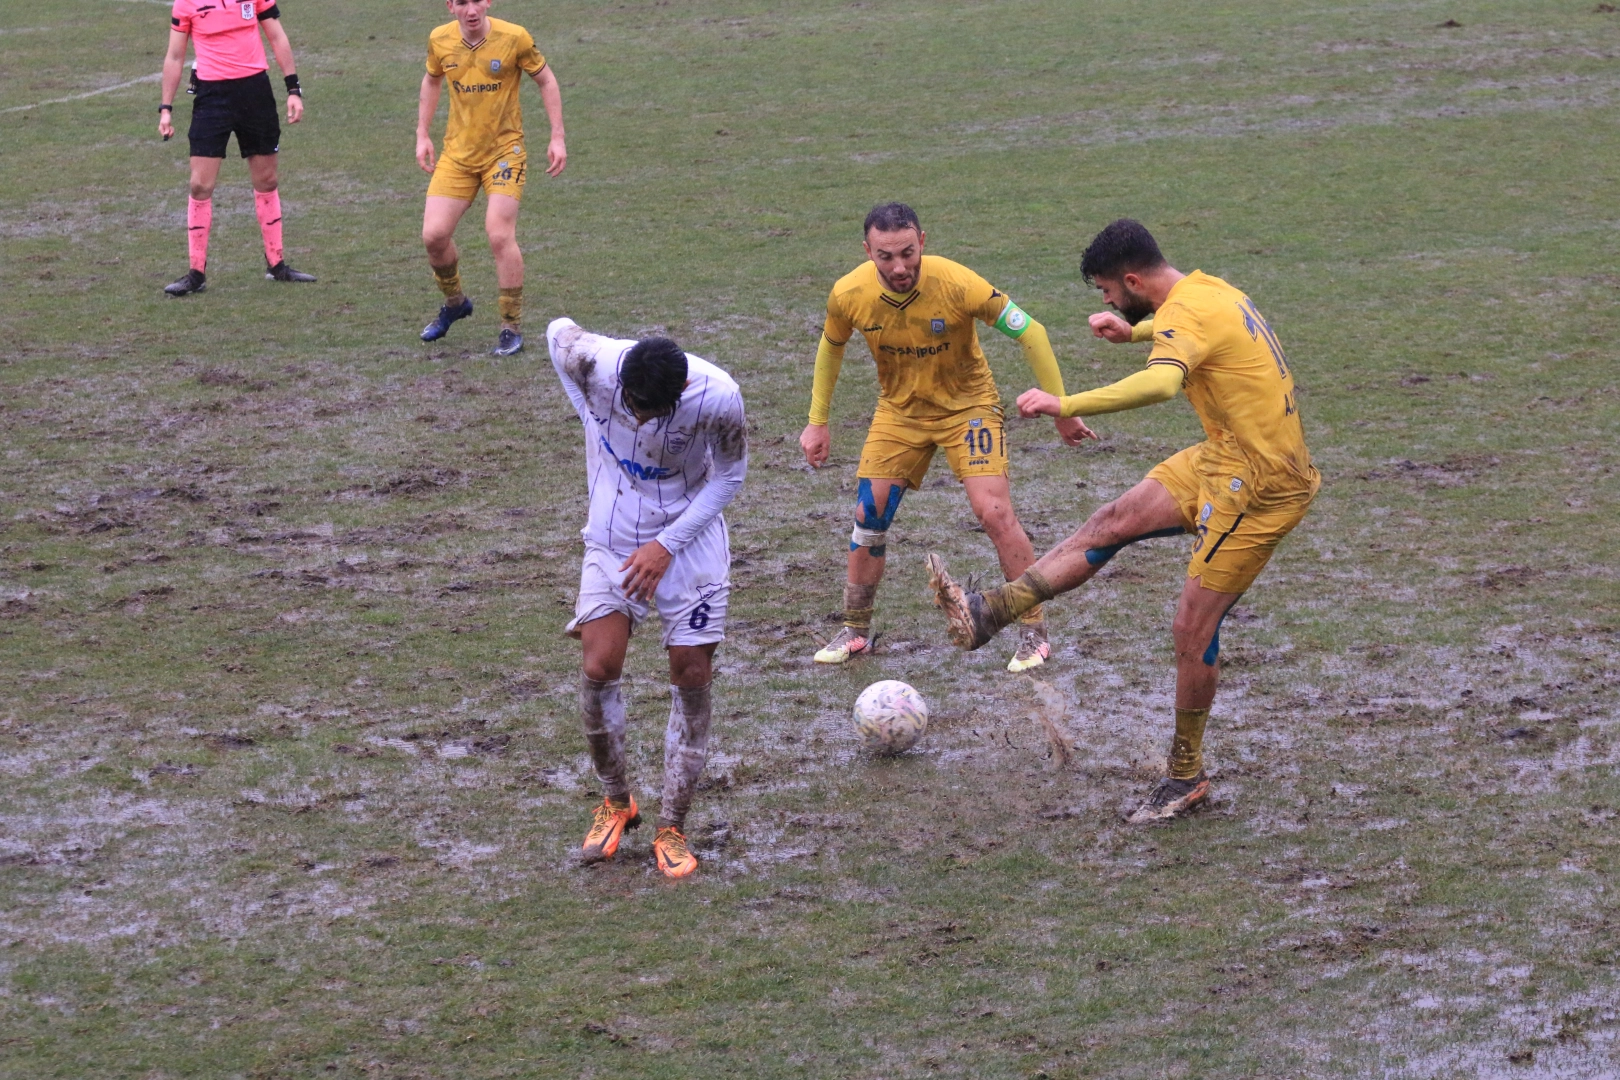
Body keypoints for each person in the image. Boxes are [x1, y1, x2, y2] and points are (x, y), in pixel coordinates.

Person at [926, 219, 1320, 823]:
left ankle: (1186, 775)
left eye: (1109, 292)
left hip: (1262, 486)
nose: (1107, 302)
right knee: (1113, 519)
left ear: (1133, 280)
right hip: (1224, 455)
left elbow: (1163, 384)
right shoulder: (1208, 289)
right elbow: (1189, 329)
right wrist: (1135, 331)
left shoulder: (1185, 312)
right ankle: (992, 612)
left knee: (1191, 629)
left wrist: (1065, 403)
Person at [799, 202, 1091, 673]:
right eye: (886, 257)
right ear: (868, 251)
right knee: (868, 515)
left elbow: (1032, 331)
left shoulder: (958, 283)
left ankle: (1034, 633)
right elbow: (831, 347)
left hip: (968, 408)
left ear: (922, 242)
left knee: (994, 512)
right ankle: (854, 630)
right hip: (900, 412)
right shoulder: (848, 293)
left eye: (908, 253)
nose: (899, 267)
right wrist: (818, 421)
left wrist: (1063, 408)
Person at [548, 318, 747, 879]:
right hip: (612, 535)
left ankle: (672, 828)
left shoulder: (719, 397)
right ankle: (616, 802)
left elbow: (730, 477)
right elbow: (554, 330)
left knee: (691, 673)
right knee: (598, 666)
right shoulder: (592, 360)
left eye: (650, 413)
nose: (636, 420)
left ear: (680, 393)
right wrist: (587, 414)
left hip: (690, 540)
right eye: (630, 407)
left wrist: (666, 545)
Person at [416, 0, 566, 357]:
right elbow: (432, 79)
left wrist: (557, 136)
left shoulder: (514, 37)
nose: (471, 10)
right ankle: (456, 303)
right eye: (462, 2)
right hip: (457, 155)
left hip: (504, 154)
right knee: (434, 236)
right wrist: (422, 133)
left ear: (488, 2)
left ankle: (510, 325)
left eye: (477, 0)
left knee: (499, 234)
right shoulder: (439, 39)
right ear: (450, 6)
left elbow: (546, 79)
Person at [158, 0, 316, 295]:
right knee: (200, 185)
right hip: (212, 98)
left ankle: (276, 264)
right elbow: (175, 56)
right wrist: (165, 108)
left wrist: (293, 89)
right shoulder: (186, 3)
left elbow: (277, 35)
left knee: (267, 180)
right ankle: (196, 273)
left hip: (255, 93)